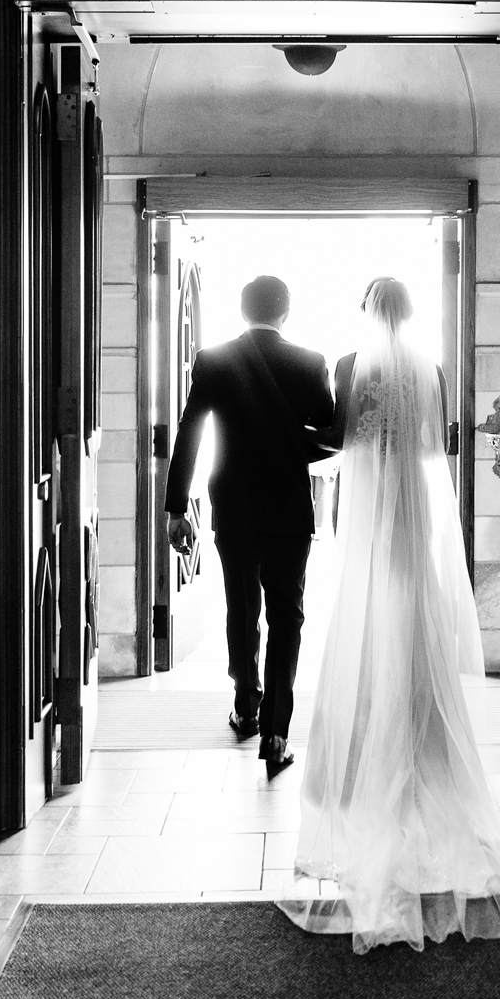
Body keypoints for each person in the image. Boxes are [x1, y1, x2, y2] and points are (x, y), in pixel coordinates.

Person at [278, 278, 500, 952]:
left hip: (371, 526)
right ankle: (418, 748)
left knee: (366, 637)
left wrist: (291, 433)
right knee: (412, 641)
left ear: (365, 312)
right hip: (411, 524)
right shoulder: (431, 369)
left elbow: (340, 434)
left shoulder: (352, 366)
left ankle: (370, 770)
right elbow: (431, 447)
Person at [164, 275, 334, 775]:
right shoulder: (309, 362)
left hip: (233, 504)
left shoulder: (213, 360)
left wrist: (176, 507)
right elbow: (326, 428)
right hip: (287, 507)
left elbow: (190, 432)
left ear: (243, 311)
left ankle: (246, 704)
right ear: (286, 311)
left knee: (241, 606)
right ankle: (278, 732)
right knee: (288, 615)